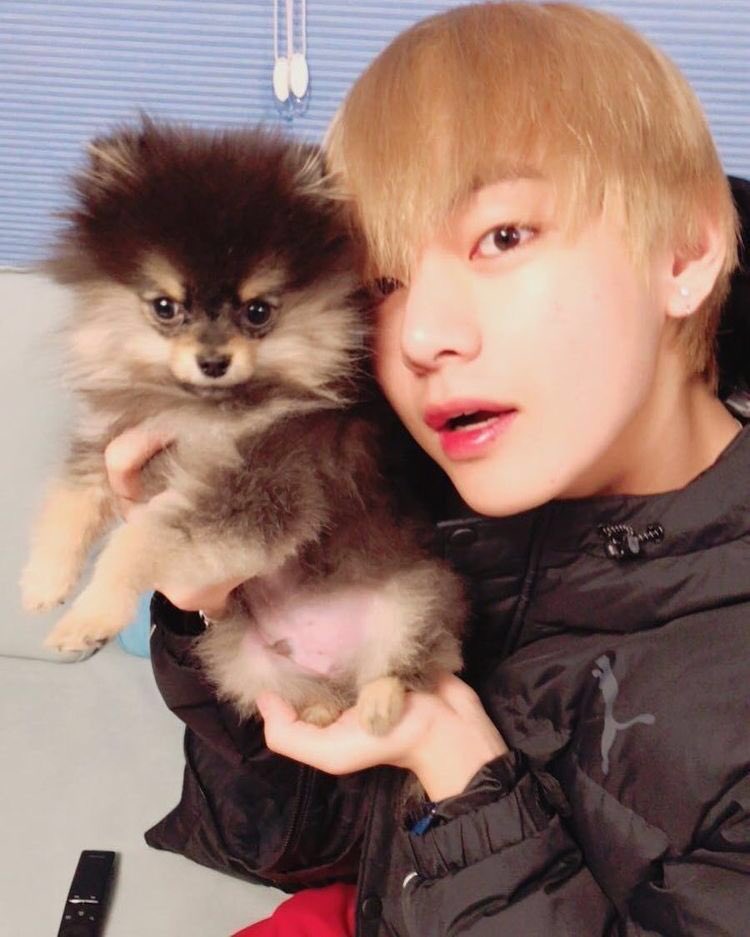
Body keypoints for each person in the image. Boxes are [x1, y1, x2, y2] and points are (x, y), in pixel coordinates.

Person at [106, 3, 750, 934]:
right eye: (383, 280)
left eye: (503, 237)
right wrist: (227, 608)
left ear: (684, 251)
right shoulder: (418, 491)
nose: (421, 335)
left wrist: (462, 774)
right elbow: (299, 844)